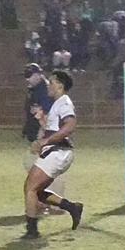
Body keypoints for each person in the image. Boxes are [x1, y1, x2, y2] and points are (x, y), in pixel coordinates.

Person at [22, 70, 84, 239]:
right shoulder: (58, 103)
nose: (48, 85)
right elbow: (54, 127)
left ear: (60, 85)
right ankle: (72, 207)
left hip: (58, 152)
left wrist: (45, 142)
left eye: (51, 82)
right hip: (57, 152)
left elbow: (69, 126)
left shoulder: (64, 102)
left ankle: (32, 231)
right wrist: (42, 121)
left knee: (30, 188)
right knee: (38, 191)